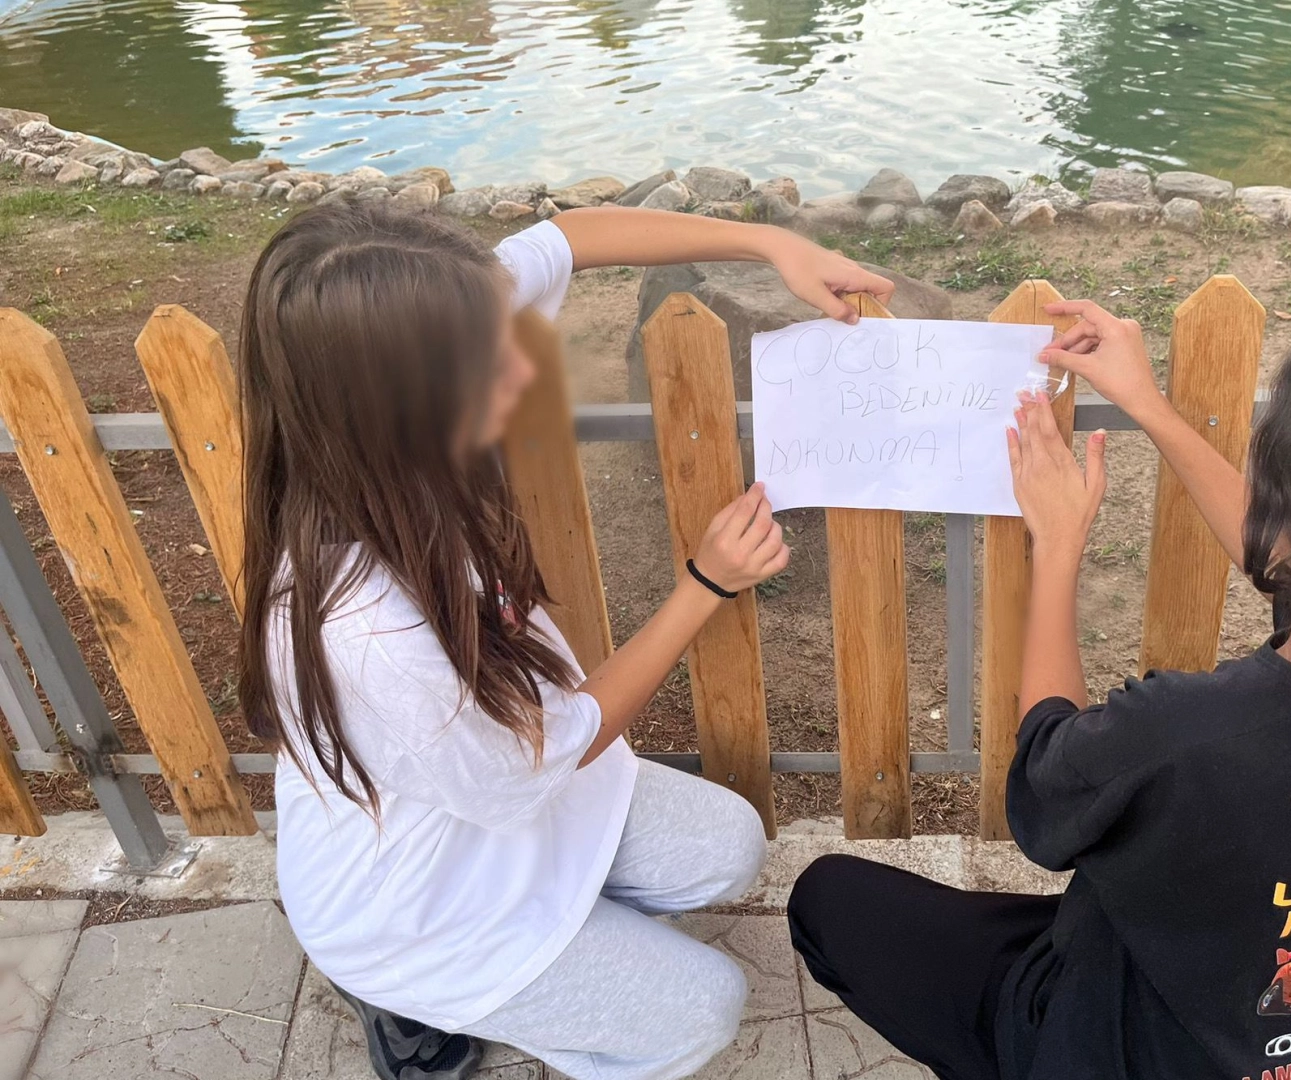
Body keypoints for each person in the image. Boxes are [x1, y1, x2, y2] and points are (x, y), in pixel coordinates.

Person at [787, 302, 1291, 1080]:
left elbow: (1045, 769)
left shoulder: (1186, 735)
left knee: (829, 899)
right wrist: (1148, 405)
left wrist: (1058, 545)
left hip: (1099, 1048)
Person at [236, 199, 895, 1080]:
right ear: (396, 405)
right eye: (489, 359)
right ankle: (406, 994)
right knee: (700, 1009)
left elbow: (571, 238)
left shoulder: (388, 396)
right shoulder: (374, 636)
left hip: (494, 786)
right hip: (421, 902)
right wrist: (702, 586)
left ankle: (568, 942)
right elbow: (558, 747)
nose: (525, 362)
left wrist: (768, 241)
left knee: (729, 847)